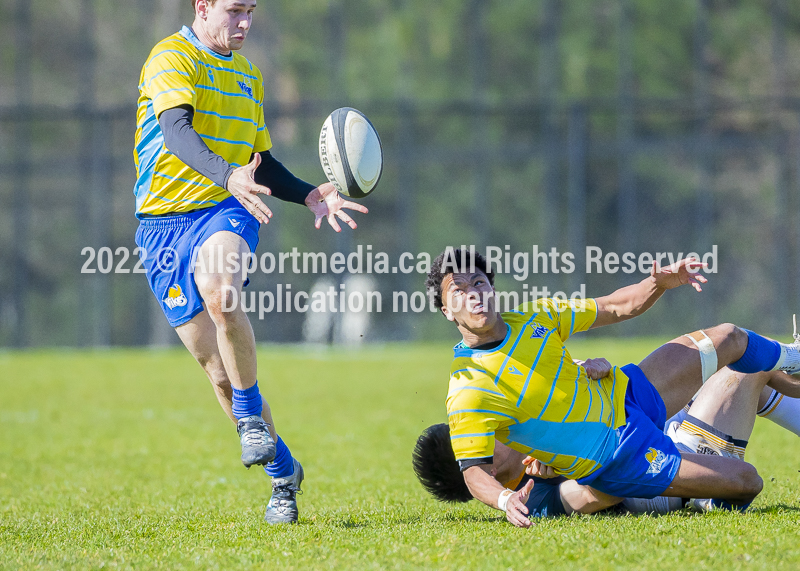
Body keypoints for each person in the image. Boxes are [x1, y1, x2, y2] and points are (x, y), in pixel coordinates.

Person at [133, 0, 368, 523]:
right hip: (161, 226)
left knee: (222, 295)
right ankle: (283, 473)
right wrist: (228, 173)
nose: (244, 22)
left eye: (251, 12)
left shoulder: (247, 76)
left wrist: (309, 194)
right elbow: (176, 131)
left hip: (226, 208)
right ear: (203, 7)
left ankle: (250, 419)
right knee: (217, 373)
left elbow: (263, 162)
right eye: (234, 10)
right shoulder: (170, 56)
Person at [423, 247, 800, 528]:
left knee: (729, 338)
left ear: (492, 288)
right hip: (621, 454)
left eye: (479, 282)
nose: (473, 293)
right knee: (748, 480)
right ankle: (708, 492)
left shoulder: (535, 317)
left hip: (628, 392)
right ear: (445, 310)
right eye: (457, 290)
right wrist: (507, 499)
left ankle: (794, 356)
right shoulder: (468, 389)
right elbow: (473, 472)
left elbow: (618, 306)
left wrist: (657, 283)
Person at [413, 365, 800, 521]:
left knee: (744, 360)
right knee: (747, 365)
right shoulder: (527, 500)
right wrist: (573, 465)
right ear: (485, 468)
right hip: (664, 474)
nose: (487, 426)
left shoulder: (524, 434)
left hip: (662, 437)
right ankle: (707, 493)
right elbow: (596, 497)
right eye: (477, 437)